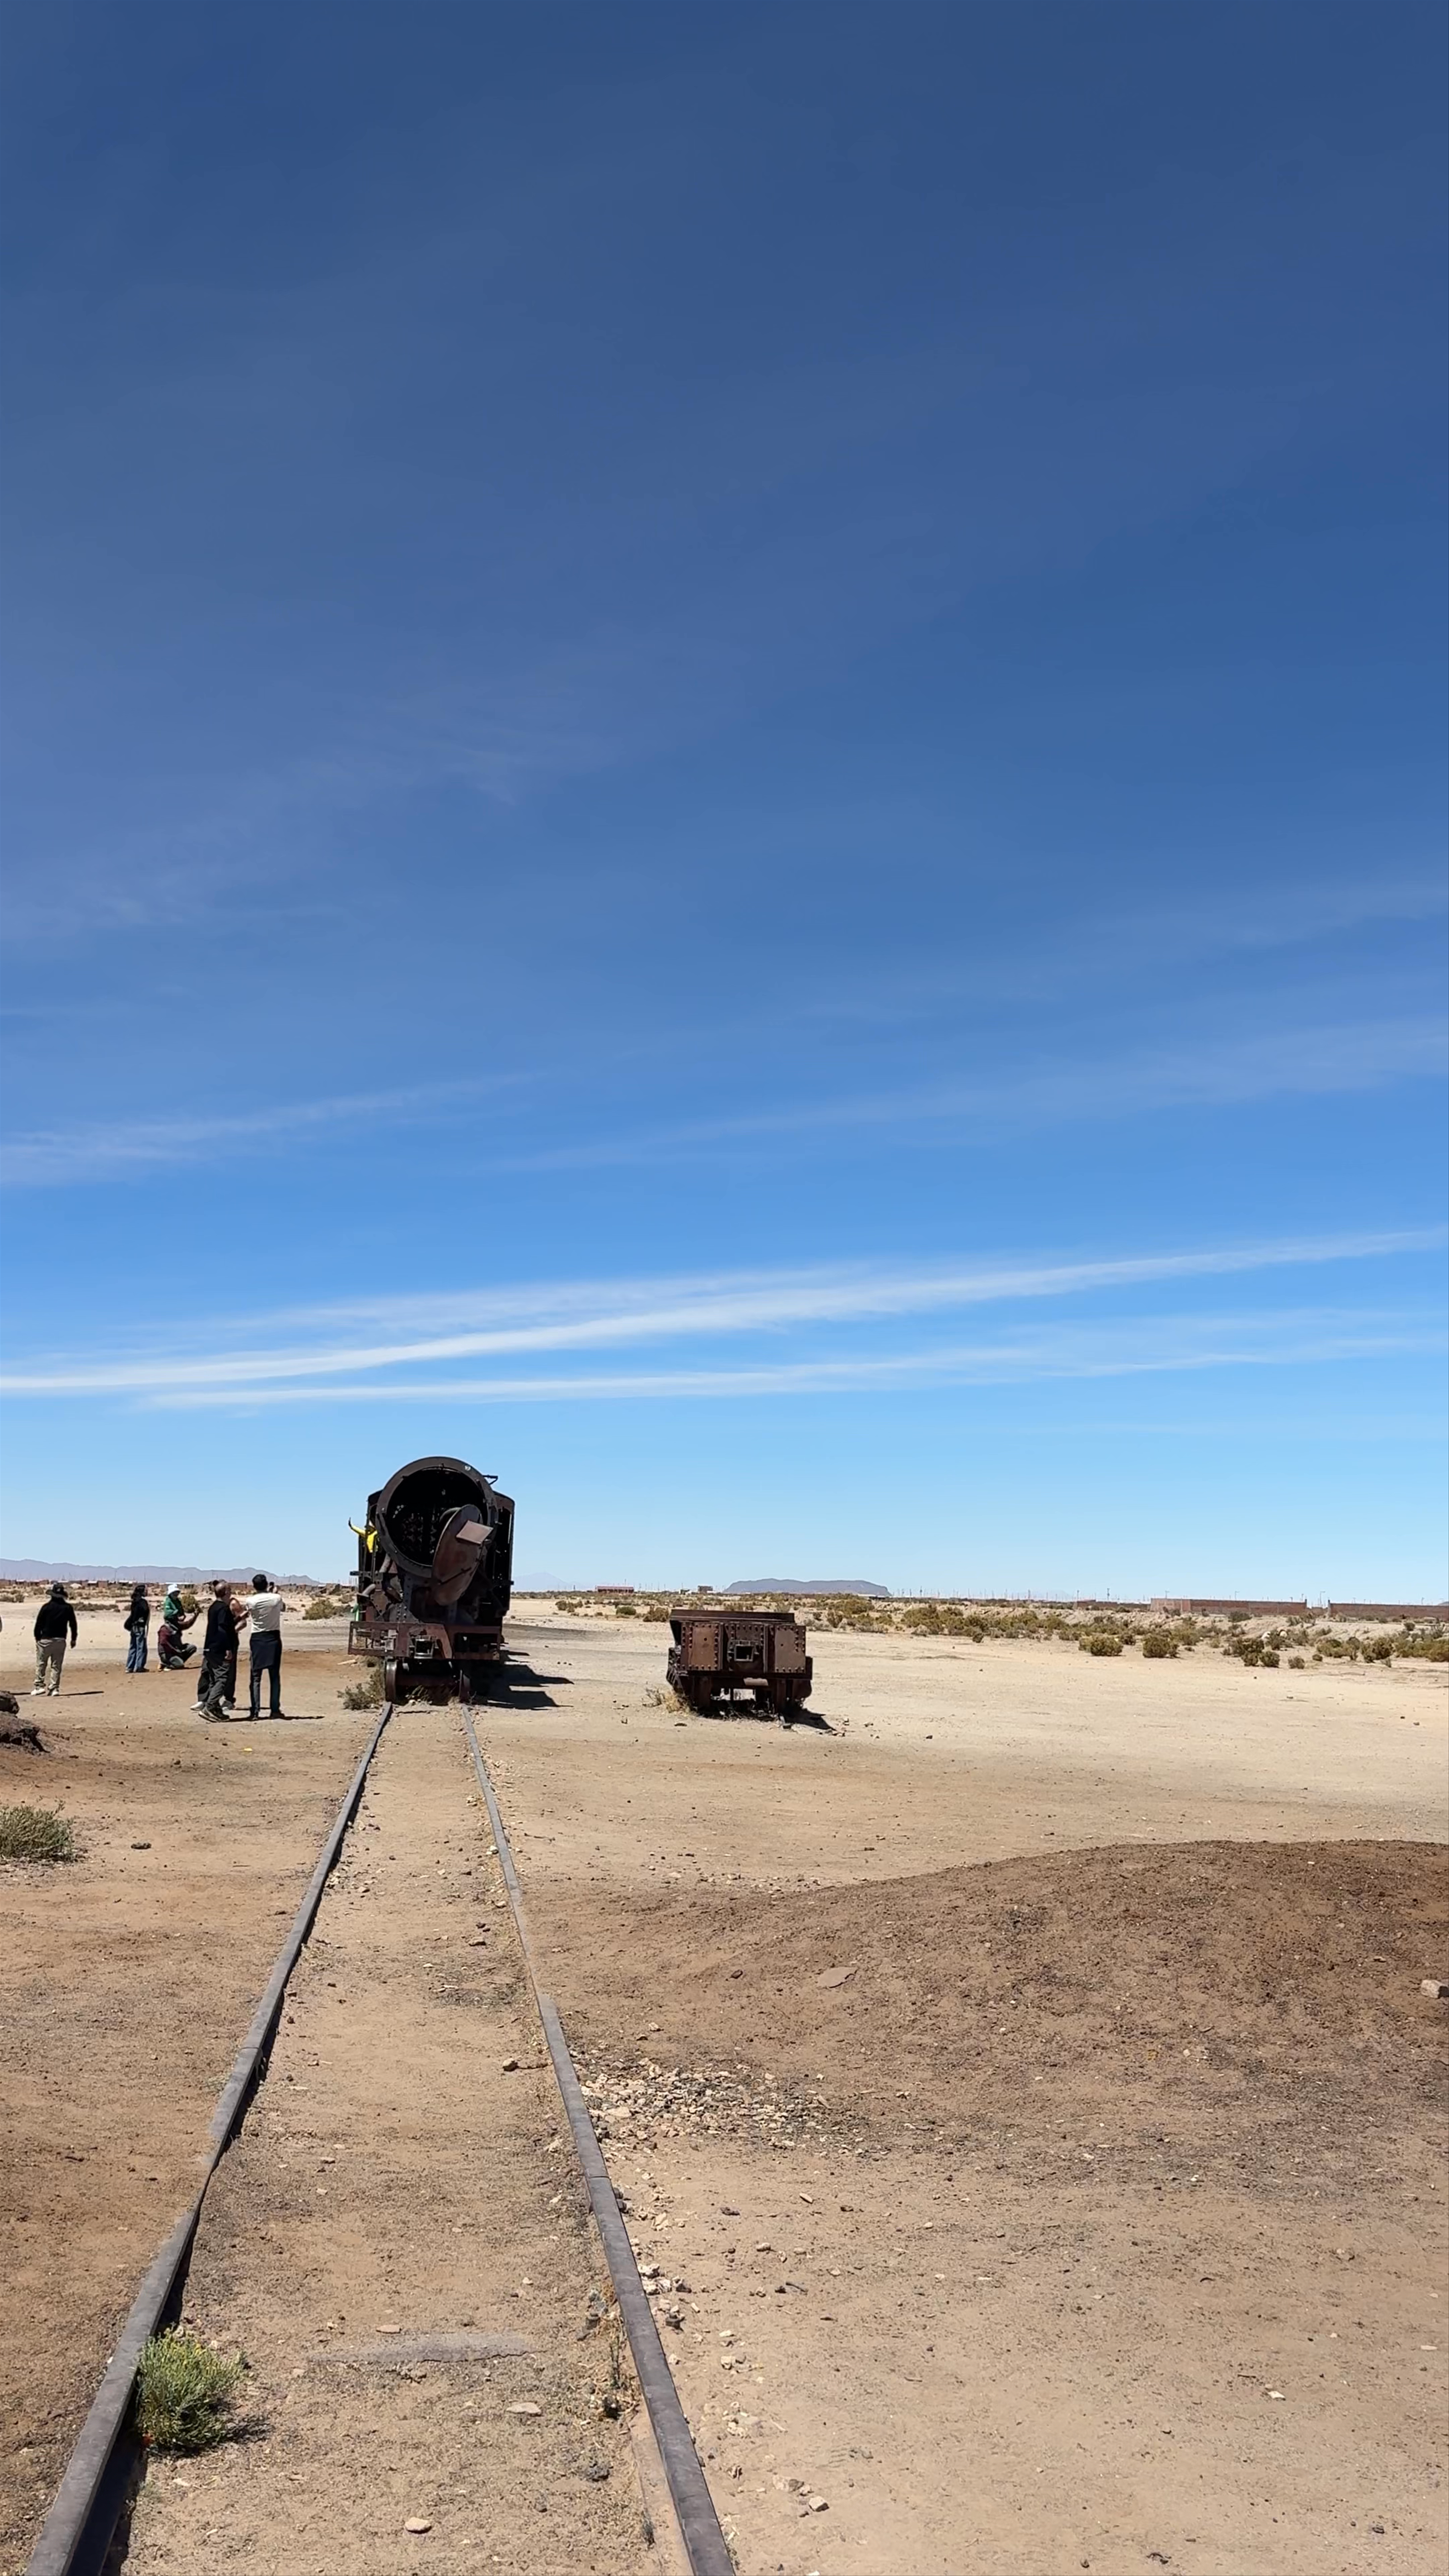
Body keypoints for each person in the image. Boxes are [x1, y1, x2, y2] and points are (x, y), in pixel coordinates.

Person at [195, 1582, 244, 1719]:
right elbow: (223, 1630)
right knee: (222, 1678)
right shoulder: (223, 1609)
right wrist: (228, 1648)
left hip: (211, 1648)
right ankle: (210, 1707)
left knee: (213, 1678)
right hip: (220, 1649)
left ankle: (215, 1709)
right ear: (226, 1592)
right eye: (230, 1590)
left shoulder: (214, 1607)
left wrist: (240, 1617)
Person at [246, 1573, 289, 1718]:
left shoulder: (251, 1601)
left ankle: (255, 1710)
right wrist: (274, 1593)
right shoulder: (276, 1599)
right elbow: (283, 1608)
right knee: (275, 1676)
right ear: (267, 1585)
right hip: (273, 1638)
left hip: (258, 1638)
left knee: (256, 1677)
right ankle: (275, 1710)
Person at [32, 1584, 78, 1696]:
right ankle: (54, 1688)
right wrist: (73, 1639)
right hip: (61, 1640)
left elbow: (39, 1624)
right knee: (57, 1665)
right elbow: (73, 1625)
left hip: (46, 1639)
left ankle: (39, 1686)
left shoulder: (46, 1608)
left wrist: (37, 1638)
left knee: (41, 1663)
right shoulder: (68, 1608)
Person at [156, 1586, 199, 1669]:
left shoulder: (177, 1625)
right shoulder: (165, 1629)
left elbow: (187, 1625)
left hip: (177, 1650)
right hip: (168, 1653)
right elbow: (163, 1644)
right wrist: (175, 1651)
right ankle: (166, 1663)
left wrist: (195, 1616)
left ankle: (178, 1660)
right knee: (179, 1665)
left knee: (192, 1648)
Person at [123, 1584, 151, 1673]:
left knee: (133, 1647)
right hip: (140, 1627)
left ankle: (130, 1667)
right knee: (141, 1647)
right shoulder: (143, 1603)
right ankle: (139, 1666)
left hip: (134, 1628)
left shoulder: (134, 1602)